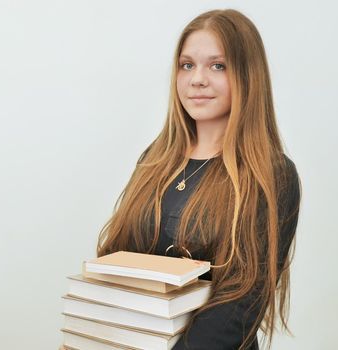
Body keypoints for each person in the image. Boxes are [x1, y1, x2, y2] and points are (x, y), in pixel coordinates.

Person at [95, 9, 302, 350]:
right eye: (187, 65)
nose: (197, 79)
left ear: (248, 75)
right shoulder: (155, 158)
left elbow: (239, 304)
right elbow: (118, 261)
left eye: (217, 65)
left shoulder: (272, 175)